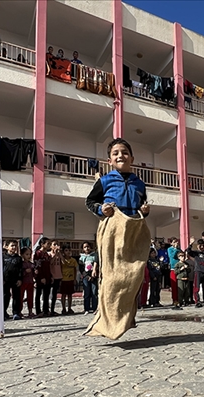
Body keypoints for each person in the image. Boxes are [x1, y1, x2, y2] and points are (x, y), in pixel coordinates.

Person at [84, 138, 152, 339]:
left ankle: (126, 319)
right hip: (113, 229)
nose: (120, 155)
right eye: (115, 153)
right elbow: (90, 201)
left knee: (133, 275)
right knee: (112, 277)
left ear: (132, 158)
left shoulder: (139, 183)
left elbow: (142, 204)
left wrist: (145, 211)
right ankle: (106, 322)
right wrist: (101, 209)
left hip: (134, 231)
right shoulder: (104, 181)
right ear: (109, 160)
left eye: (124, 152)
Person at [187, 237, 204, 307]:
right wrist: (190, 244)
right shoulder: (196, 253)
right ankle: (197, 301)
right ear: (197, 246)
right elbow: (188, 251)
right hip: (198, 271)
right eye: (200, 245)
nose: (201, 247)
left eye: (202, 245)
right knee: (196, 287)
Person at [2, 240, 23, 320]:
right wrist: (2, 279)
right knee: (6, 296)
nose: (14, 247)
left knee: (16, 296)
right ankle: (3, 312)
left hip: (15, 280)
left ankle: (16, 313)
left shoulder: (18, 258)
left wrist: (20, 279)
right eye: (12, 246)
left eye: (15, 246)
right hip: (6, 280)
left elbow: (20, 270)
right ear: (7, 247)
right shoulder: (3, 257)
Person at [33, 238, 53, 316]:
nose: (49, 245)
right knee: (38, 294)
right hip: (40, 277)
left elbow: (48, 266)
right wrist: (41, 277)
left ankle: (46, 310)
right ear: (42, 244)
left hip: (47, 276)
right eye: (48, 244)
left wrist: (51, 276)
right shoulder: (38, 254)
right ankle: (38, 311)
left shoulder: (46, 254)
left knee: (46, 294)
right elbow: (37, 266)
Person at [78, 241, 98, 314]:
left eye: (88, 246)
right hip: (85, 277)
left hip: (93, 276)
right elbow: (81, 269)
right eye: (85, 247)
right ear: (83, 249)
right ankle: (86, 308)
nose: (87, 248)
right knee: (87, 293)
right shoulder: (81, 257)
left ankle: (94, 308)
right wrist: (87, 276)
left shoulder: (94, 255)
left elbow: (96, 264)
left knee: (94, 292)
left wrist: (92, 275)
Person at [59, 247, 78, 314]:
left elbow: (75, 270)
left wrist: (75, 279)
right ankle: (63, 308)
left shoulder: (73, 260)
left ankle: (69, 308)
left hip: (71, 279)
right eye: (66, 250)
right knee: (63, 294)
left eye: (69, 250)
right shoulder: (61, 260)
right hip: (63, 279)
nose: (68, 252)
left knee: (70, 294)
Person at [18, 247, 35, 318]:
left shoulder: (32, 264)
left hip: (30, 282)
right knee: (20, 297)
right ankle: (19, 311)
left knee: (30, 297)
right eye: (27, 254)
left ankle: (30, 311)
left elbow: (34, 274)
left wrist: (35, 273)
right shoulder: (21, 264)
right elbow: (19, 273)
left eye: (30, 254)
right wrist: (25, 271)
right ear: (22, 255)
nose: (29, 256)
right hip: (23, 282)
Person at [48, 240, 63, 315]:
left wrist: (59, 254)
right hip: (51, 276)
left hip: (58, 275)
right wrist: (55, 254)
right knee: (48, 293)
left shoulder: (59, 254)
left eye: (57, 244)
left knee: (55, 294)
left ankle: (52, 310)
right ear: (51, 246)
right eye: (54, 244)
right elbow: (50, 262)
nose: (56, 246)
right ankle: (47, 309)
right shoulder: (49, 254)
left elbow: (63, 262)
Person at [166, 237, 182, 308]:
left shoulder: (179, 249)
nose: (176, 243)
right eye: (174, 242)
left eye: (177, 241)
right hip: (173, 268)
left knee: (180, 285)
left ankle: (180, 299)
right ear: (171, 243)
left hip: (180, 268)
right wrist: (175, 249)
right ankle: (174, 299)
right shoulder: (170, 249)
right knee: (174, 285)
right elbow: (172, 256)